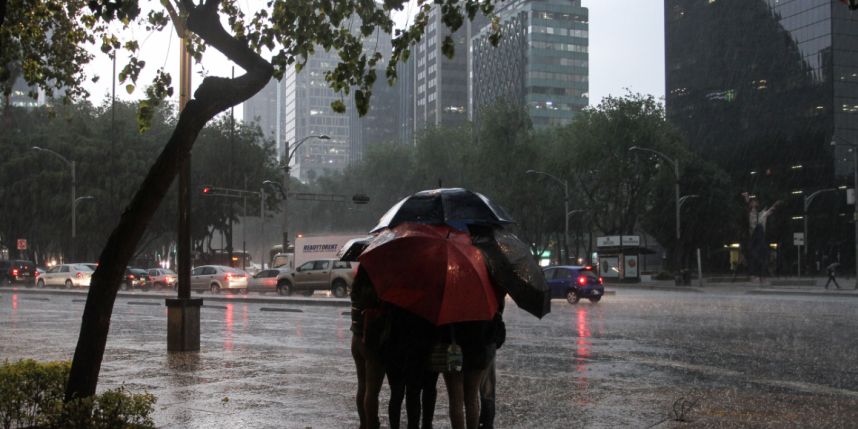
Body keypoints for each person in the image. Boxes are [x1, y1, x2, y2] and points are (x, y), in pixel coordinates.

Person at [350, 266, 387, 429]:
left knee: (362, 385)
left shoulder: (356, 288)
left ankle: (364, 423)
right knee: (372, 390)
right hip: (370, 342)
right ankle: (372, 424)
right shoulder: (374, 291)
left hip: (356, 339)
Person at [742, 192, 781, 282]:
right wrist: (747, 198)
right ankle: (755, 274)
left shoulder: (762, 214)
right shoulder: (752, 213)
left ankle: (760, 275)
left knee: (760, 255)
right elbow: (749, 207)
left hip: (759, 237)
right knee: (755, 255)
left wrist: (776, 204)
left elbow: (771, 210)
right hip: (754, 236)